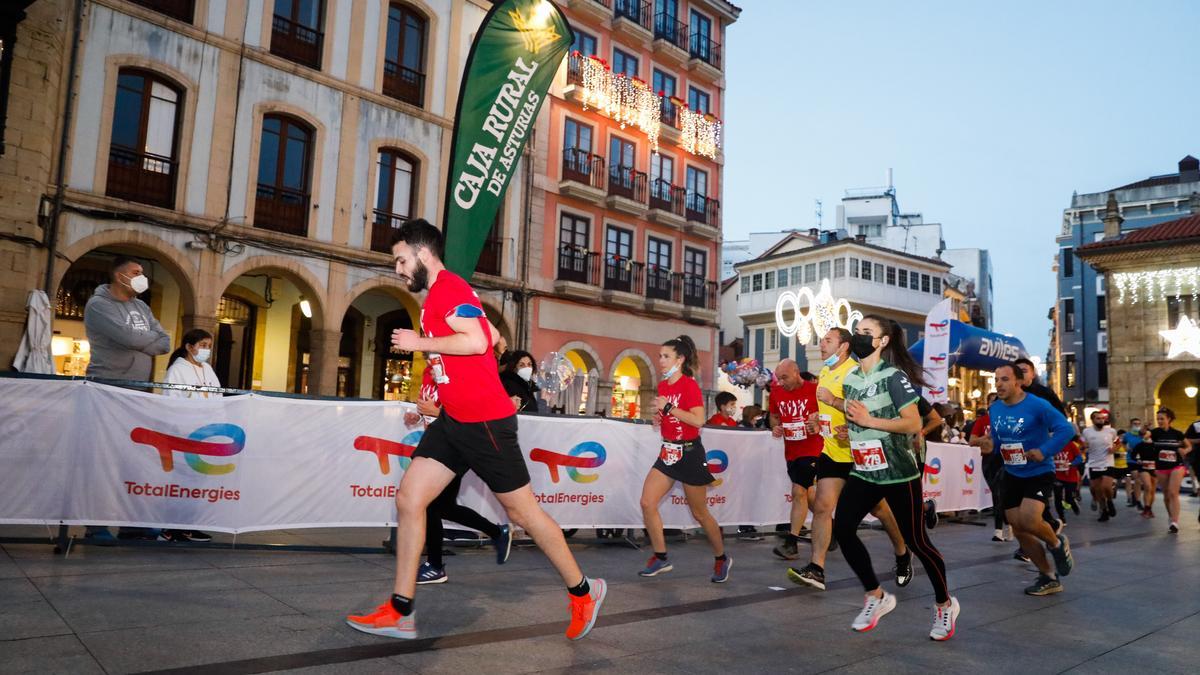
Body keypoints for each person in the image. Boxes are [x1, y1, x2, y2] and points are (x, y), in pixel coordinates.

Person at [346, 220, 605, 640]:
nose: (397, 268)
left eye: (400, 259)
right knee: (410, 499)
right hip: (453, 420)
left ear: (422, 253)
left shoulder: (449, 288)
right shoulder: (439, 297)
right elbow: (490, 334)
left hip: (485, 423)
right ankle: (401, 609)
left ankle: (583, 592)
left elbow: (476, 341)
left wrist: (420, 343)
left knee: (523, 513)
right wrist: (493, 340)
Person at [823, 315, 958, 639]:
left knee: (917, 542)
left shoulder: (894, 377)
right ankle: (876, 596)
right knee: (842, 527)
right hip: (866, 470)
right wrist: (843, 415)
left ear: (882, 341)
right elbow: (861, 413)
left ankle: (944, 605)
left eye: (866, 333)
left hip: (898, 473)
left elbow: (912, 423)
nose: (859, 337)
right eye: (857, 332)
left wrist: (869, 421)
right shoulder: (853, 377)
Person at [788, 327, 912, 592]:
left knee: (880, 510)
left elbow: (866, 411)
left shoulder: (856, 373)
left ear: (843, 346)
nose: (821, 345)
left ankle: (902, 552)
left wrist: (850, 425)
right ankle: (817, 568)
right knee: (822, 507)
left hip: (859, 454)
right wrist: (815, 421)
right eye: (822, 340)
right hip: (833, 451)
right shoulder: (824, 372)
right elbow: (827, 412)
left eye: (827, 341)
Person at [84, 256, 172, 544]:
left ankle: (131, 522)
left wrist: (143, 339)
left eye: (142, 272)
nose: (141, 277)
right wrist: (145, 339)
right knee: (103, 459)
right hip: (108, 388)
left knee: (133, 459)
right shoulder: (99, 305)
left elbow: (165, 341)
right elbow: (128, 338)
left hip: (137, 392)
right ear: (119, 275)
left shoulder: (141, 306)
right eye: (136, 272)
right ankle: (95, 524)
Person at [404, 367, 512, 584]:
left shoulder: (458, 371)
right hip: (437, 445)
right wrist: (417, 415)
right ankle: (497, 532)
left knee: (430, 505)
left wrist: (437, 413)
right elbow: (430, 408)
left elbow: (473, 414)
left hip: (455, 446)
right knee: (442, 506)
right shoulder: (427, 372)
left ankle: (435, 565)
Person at [637, 335, 731, 582]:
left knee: (700, 514)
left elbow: (698, 420)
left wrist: (668, 409)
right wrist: (660, 418)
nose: (661, 361)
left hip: (689, 453)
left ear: (680, 359)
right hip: (668, 452)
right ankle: (660, 557)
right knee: (647, 503)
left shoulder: (688, 385)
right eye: (660, 356)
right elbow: (670, 416)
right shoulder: (663, 386)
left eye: (666, 356)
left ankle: (721, 558)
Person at [989, 362, 1076, 596]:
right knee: (1018, 529)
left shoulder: (1037, 405)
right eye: (996, 380)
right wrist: (985, 445)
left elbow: (1066, 430)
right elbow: (997, 444)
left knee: (1029, 519)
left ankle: (1057, 544)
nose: (999, 384)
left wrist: (1044, 450)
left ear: (1019, 382)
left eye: (1004, 379)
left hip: (1038, 471)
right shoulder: (995, 408)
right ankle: (1048, 576)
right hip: (1011, 472)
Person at [156, 329, 221, 543]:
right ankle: (170, 527)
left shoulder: (208, 369)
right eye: (202, 345)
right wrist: (181, 429)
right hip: (185, 434)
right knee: (181, 482)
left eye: (209, 346)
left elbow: (218, 397)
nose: (206, 350)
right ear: (189, 346)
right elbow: (171, 402)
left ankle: (188, 525)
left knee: (197, 482)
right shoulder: (177, 370)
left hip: (206, 433)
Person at [768, 360, 823, 560]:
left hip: (813, 449)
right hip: (791, 450)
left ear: (796, 371)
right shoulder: (776, 393)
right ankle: (830, 528)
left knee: (798, 491)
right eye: (778, 378)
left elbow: (828, 416)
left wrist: (817, 422)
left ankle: (791, 543)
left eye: (785, 377)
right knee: (807, 495)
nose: (781, 382)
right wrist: (776, 427)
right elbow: (774, 417)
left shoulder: (815, 390)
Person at [970, 393, 1010, 542]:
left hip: (1006, 458)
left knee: (1004, 494)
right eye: (993, 403)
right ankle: (1002, 528)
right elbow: (972, 441)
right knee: (996, 493)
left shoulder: (1009, 419)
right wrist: (987, 437)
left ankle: (1003, 528)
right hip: (988, 460)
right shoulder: (982, 421)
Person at [1149, 408, 1188, 533]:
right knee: (1166, 495)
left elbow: (1189, 446)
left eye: (1162, 419)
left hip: (1177, 465)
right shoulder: (1154, 433)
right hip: (1161, 467)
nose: (1159, 421)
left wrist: (1184, 451)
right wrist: (1145, 432)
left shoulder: (1177, 433)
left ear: (1169, 419)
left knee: (1173, 492)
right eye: (1158, 419)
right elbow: (1144, 436)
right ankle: (1171, 517)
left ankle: (1175, 522)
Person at [1081, 411, 1118, 522]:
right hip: (1094, 463)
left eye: (1102, 418)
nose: (1101, 420)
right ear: (1092, 420)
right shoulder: (1087, 431)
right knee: (1097, 490)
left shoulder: (1111, 431)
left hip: (1108, 463)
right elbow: (1083, 444)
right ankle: (1104, 511)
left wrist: (1114, 449)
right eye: (1098, 418)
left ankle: (1110, 502)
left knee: (1106, 487)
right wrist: (1084, 447)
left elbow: (1118, 442)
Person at [1051, 436, 1083, 522]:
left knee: (1069, 498)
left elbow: (1080, 459)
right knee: (1058, 496)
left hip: (1070, 476)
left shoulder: (1071, 445)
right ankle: (1062, 518)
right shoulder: (1051, 446)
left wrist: (1070, 464)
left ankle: (1073, 503)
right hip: (1057, 476)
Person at [1131, 427, 1158, 518]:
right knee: (1147, 486)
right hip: (1143, 468)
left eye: (1146, 433)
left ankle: (1149, 508)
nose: (1144, 435)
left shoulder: (1156, 445)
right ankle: (1146, 508)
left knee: (1153, 491)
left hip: (1154, 468)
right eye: (1142, 434)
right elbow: (1133, 455)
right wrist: (1138, 460)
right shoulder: (1140, 445)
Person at [1123, 419, 1145, 508]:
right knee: (1132, 478)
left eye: (1139, 424)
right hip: (1130, 461)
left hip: (1141, 460)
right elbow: (1123, 444)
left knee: (1138, 481)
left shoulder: (1143, 434)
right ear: (1131, 425)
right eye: (1135, 424)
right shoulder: (1127, 435)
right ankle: (1134, 498)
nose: (1137, 425)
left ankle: (1136, 499)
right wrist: (1126, 449)